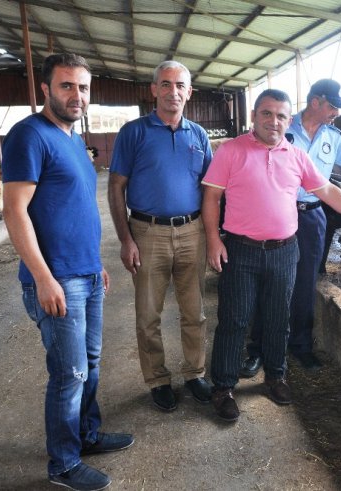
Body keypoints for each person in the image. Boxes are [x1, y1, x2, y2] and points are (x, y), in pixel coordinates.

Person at [202, 88, 341, 420]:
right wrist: (213, 241)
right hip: (241, 249)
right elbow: (212, 198)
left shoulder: (297, 156)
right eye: (266, 113)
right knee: (234, 318)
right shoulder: (231, 151)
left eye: (280, 116)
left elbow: (328, 191)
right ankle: (224, 387)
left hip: (284, 250)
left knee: (278, 315)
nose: (273, 121)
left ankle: (276, 375)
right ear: (254, 116)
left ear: (288, 120)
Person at [2, 53, 133, 491]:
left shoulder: (74, 139)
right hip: (57, 280)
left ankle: (87, 435)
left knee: (90, 364)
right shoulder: (28, 136)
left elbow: (73, 210)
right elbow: (15, 211)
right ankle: (62, 463)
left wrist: (95, 264)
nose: (76, 96)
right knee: (69, 373)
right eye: (66, 86)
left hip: (86, 274)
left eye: (83, 88)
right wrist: (42, 277)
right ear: (45, 89)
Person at [240, 79, 341, 376]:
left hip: (313, 216)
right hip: (279, 212)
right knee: (270, 282)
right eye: (332, 106)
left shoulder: (334, 138)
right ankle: (258, 349)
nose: (336, 113)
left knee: (305, 283)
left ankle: (300, 346)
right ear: (315, 102)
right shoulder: (281, 129)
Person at [108, 60, 213, 412]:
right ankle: (157, 378)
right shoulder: (134, 132)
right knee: (148, 314)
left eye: (180, 85)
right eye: (165, 84)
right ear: (154, 90)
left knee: (194, 311)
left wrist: (213, 234)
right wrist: (126, 239)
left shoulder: (198, 135)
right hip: (147, 231)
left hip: (192, 231)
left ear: (189, 92)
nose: (173, 92)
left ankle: (195, 372)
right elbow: (116, 187)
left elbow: (211, 190)